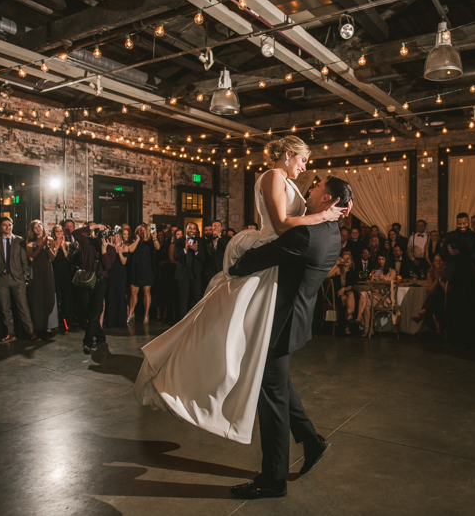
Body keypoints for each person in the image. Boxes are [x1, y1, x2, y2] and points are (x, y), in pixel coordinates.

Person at [134, 135, 348, 453]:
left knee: (267, 367)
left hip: (275, 262)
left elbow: (298, 220)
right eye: (302, 159)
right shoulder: (273, 176)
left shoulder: (288, 181)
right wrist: (323, 216)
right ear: (288, 155)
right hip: (268, 252)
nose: (305, 167)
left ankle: (309, 439)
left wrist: (329, 210)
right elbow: (281, 222)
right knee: (249, 351)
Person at [226, 175, 352, 499]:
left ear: (328, 200)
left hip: (281, 323)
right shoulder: (332, 233)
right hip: (297, 319)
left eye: (316, 188)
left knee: (271, 396)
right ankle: (311, 440)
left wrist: (234, 261)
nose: (309, 190)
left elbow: (260, 258)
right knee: (278, 384)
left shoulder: (306, 234)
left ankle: (273, 479)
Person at [0, 217, 37, 342]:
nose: (7, 227)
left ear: (12, 226)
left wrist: (24, 274)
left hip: (17, 278)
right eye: (4, 225)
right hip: (1, 279)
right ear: (0, 227)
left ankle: (30, 332)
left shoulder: (20, 241)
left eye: (9, 225)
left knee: (23, 307)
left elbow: (25, 261)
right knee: (5, 309)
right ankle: (10, 333)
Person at [72, 223, 116, 354]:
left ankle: (88, 341)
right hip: (87, 280)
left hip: (100, 281)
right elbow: (75, 234)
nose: (102, 234)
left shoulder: (110, 249)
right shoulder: (88, 243)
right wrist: (92, 227)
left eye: (105, 232)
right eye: (100, 231)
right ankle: (101, 337)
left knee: (97, 310)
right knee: (88, 311)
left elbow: (107, 266)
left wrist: (103, 251)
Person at [441, 213, 475, 347]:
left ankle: (470, 338)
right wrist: (450, 254)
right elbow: (443, 254)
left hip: (468, 276)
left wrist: (461, 254)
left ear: (468, 222)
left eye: (464, 223)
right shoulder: (450, 235)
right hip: (453, 276)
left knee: (468, 307)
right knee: (454, 307)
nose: (462, 226)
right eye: (459, 223)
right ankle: (455, 337)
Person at [26, 220, 57, 338]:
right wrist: (41, 245)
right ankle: (38, 326)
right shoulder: (30, 241)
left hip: (47, 270)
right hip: (36, 271)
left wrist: (48, 247)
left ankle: (47, 325)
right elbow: (31, 257)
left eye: (39, 226)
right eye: (35, 227)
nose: (38, 229)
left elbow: (53, 258)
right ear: (32, 230)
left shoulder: (50, 240)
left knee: (49, 296)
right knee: (36, 298)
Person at [173, 222, 206, 320]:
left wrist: (196, 251)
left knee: (197, 299)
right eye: (189, 228)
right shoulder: (179, 241)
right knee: (183, 300)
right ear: (186, 229)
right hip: (182, 275)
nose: (191, 230)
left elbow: (205, 258)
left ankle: (197, 321)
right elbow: (175, 257)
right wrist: (185, 249)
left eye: (193, 228)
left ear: (196, 230)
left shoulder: (201, 241)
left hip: (196, 275)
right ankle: (181, 323)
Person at [128, 223, 159, 324]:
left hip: (147, 269)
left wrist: (154, 238)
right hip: (135, 269)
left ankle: (146, 314)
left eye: (144, 230)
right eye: (140, 230)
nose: (142, 232)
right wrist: (137, 240)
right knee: (133, 292)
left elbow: (158, 247)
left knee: (146, 292)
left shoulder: (150, 242)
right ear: (137, 232)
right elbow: (130, 250)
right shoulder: (134, 242)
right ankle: (131, 313)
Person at [412, 254, 448, 335]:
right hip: (435, 298)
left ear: (444, 262)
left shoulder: (447, 272)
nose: (437, 262)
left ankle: (422, 312)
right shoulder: (430, 272)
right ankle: (438, 329)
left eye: (440, 260)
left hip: (445, 297)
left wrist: (440, 278)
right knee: (435, 296)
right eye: (435, 261)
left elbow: (446, 290)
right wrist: (436, 279)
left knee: (437, 294)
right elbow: (430, 289)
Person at [326, 251, 360, 333]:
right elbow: (327, 276)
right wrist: (337, 263)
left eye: (348, 259)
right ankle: (348, 322)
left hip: (347, 294)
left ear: (351, 261)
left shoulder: (353, 273)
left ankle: (349, 317)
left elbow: (351, 286)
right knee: (351, 296)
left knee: (351, 294)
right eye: (344, 258)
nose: (346, 260)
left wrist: (344, 288)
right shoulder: (338, 269)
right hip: (336, 295)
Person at [50, 225, 74, 331]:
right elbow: (52, 258)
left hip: (66, 274)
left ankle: (69, 321)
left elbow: (69, 259)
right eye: (57, 231)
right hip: (55, 274)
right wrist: (56, 246)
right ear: (54, 233)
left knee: (67, 298)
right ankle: (56, 321)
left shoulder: (68, 244)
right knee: (55, 298)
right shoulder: (51, 244)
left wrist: (63, 247)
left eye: (61, 231)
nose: (59, 233)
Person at [105, 227, 130, 328]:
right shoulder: (109, 247)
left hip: (121, 273)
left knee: (120, 295)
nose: (116, 238)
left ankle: (121, 321)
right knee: (111, 295)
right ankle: (111, 321)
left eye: (118, 236)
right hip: (111, 273)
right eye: (114, 236)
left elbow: (123, 262)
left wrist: (118, 251)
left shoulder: (125, 247)